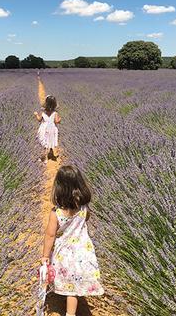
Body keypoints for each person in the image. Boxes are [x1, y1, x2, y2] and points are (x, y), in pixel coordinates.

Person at [41, 165, 104, 316]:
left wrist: (45, 256)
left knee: (70, 289)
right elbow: (86, 220)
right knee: (75, 284)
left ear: (59, 187)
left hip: (66, 253)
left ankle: (69, 313)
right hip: (83, 250)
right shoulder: (84, 208)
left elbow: (50, 235)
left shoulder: (56, 213)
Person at [34, 95, 60, 163]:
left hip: (44, 129)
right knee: (50, 140)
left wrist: (36, 114)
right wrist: (60, 119)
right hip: (51, 129)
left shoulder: (43, 112)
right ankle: (51, 153)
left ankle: (45, 158)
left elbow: (39, 120)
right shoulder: (55, 113)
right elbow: (56, 121)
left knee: (45, 143)